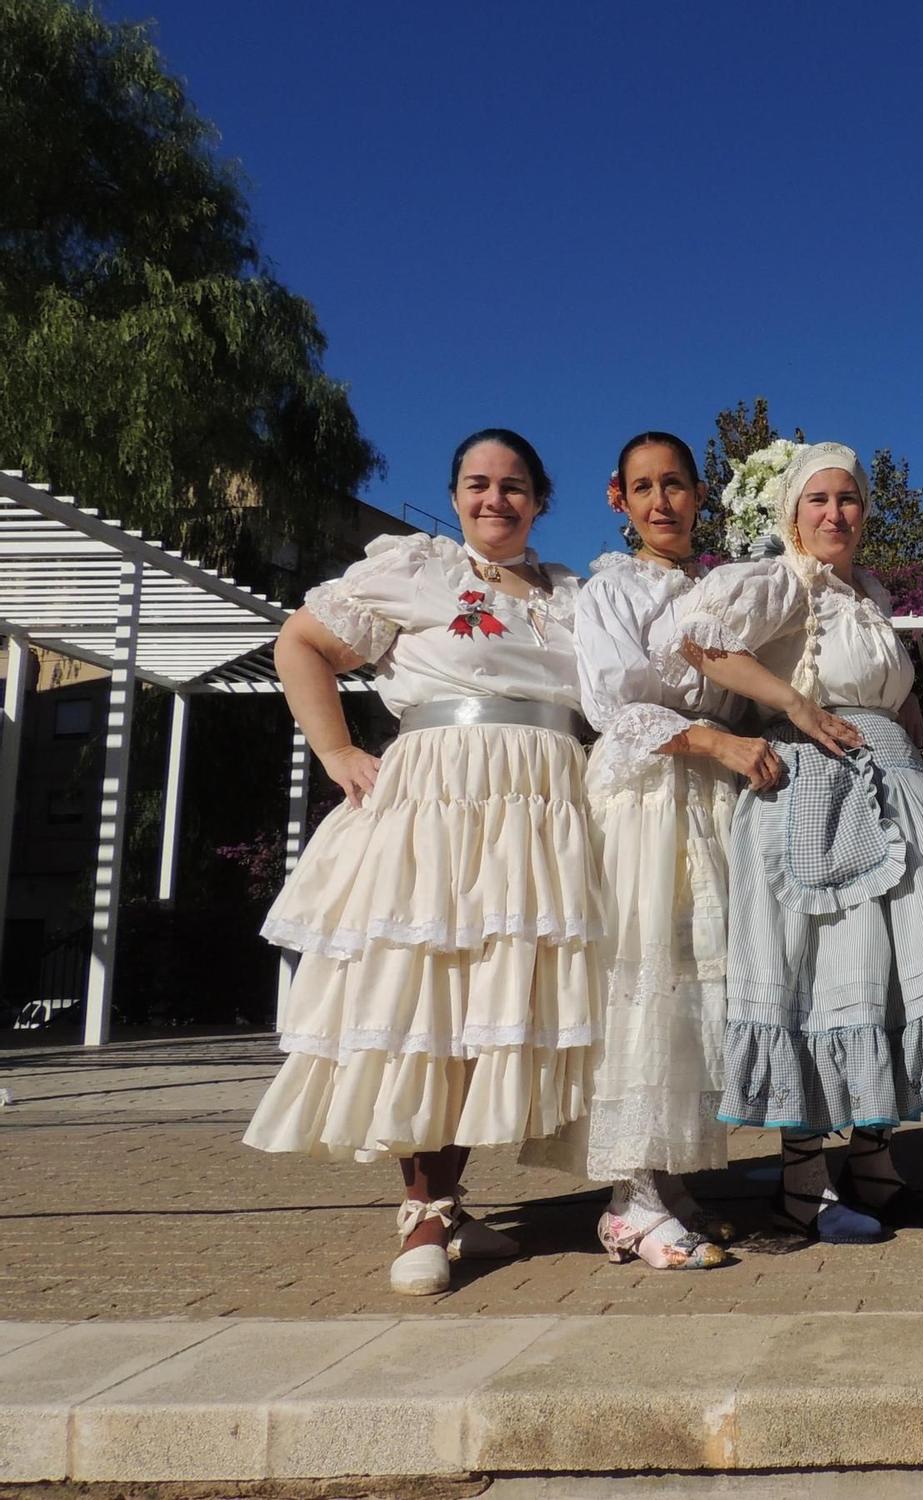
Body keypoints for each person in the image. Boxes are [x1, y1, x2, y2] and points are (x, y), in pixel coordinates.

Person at [677, 441, 923, 1244]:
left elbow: (891, 695)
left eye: (848, 500)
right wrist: (797, 706)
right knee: (822, 977)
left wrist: (904, 732)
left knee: (895, 974)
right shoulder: (779, 581)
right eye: (817, 500)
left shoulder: (869, 595)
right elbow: (698, 635)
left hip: (893, 786)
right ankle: (803, 1180)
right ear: (791, 512)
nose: (834, 514)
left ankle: (876, 1164)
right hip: (809, 793)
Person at [244, 429, 599, 1296]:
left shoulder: (574, 596)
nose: (496, 499)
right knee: (427, 1000)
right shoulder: (419, 569)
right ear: (454, 496)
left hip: (547, 805)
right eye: (478, 484)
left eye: (514, 485)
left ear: (541, 499)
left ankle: (458, 1202)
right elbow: (301, 644)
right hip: (440, 799)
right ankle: (425, 1211)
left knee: (494, 1005)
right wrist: (336, 754)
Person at [523, 432, 780, 1270]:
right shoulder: (609, 591)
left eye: (675, 484)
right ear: (617, 500)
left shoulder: (720, 590)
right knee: (637, 975)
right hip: (642, 798)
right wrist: (716, 742)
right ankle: (627, 1196)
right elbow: (613, 705)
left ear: (701, 495)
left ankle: (667, 1178)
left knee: (696, 983)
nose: (662, 501)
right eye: (644, 487)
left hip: (708, 799)